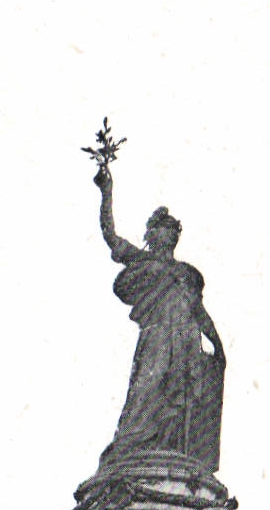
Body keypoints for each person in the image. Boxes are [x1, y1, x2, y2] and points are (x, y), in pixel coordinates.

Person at [94, 163, 226, 472]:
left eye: (173, 228)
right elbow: (111, 236)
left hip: (185, 340)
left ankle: (172, 454)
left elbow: (199, 312)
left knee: (181, 399)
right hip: (157, 337)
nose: (170, 232)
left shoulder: (185, 274)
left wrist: (218, 345)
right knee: (147, 389)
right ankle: (133, 447)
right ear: (152, 234)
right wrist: (106, 192)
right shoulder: (143, 260)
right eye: (164, 227)